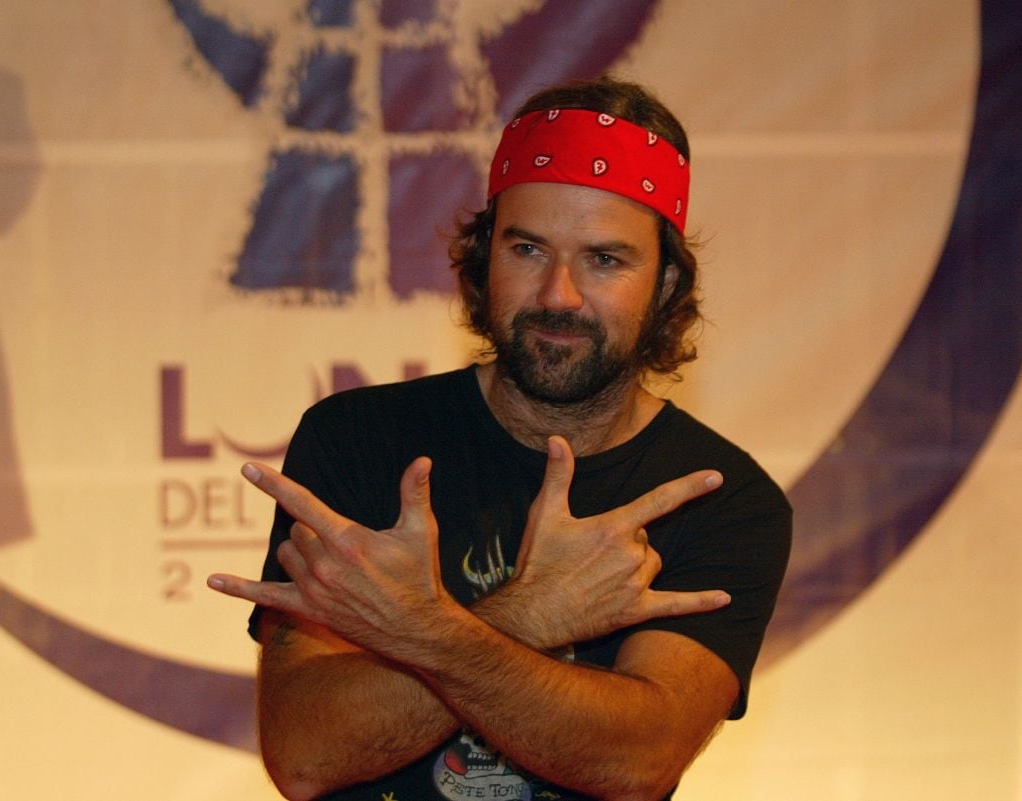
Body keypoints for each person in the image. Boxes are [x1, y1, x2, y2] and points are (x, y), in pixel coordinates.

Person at [208, 75, 792, 801]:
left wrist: (418, 635)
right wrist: (530, 613)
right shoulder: (359, 437)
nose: (558, 295)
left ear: (667, 282)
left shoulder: (719, 498)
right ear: (485, 257)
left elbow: (636, 761)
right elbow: (305, 753)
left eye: (605, 259)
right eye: (527, 249)